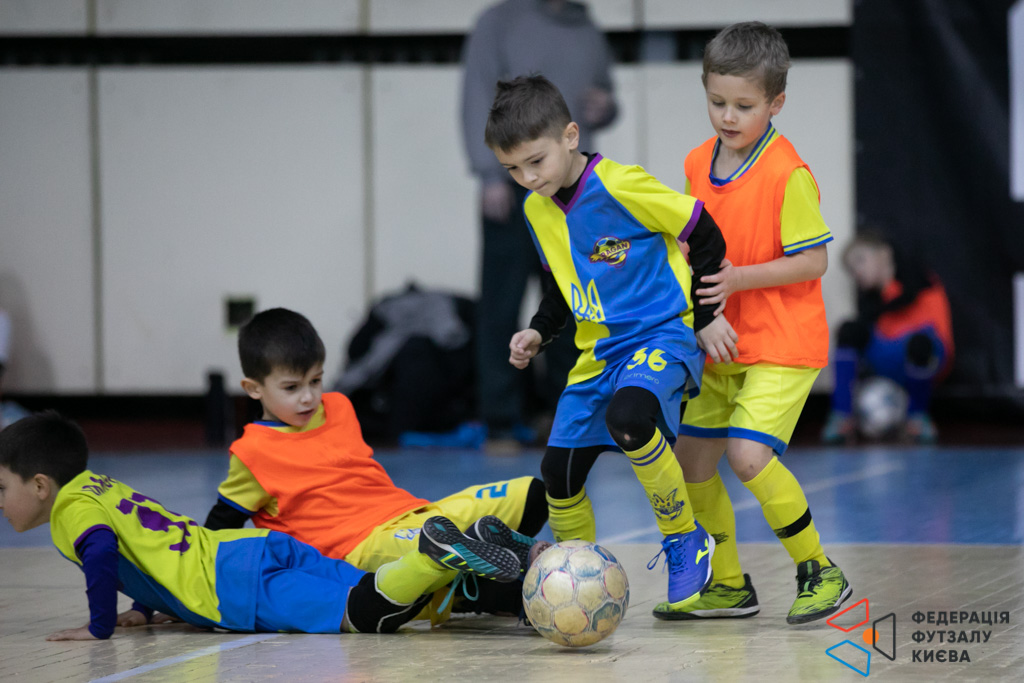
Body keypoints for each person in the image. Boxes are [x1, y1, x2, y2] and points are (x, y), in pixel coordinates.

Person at [486, 74, 739, 611]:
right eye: (512, 169)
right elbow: (562, 285)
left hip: (663, 334)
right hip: (598, 353)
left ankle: (685, 540)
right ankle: (576, 580)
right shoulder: (536, 209)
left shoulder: (622, 184)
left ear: (570, 136)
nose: (528, 178)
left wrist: (706, 317)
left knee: (630, 419)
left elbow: (703, 230)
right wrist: (538, 330)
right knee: (558, 473)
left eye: (536, 161)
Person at [0, 412, 525, 640]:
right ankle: (466, 553)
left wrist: (98, 626)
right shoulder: (98, 485)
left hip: (235, 586)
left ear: (41, 485)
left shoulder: (69, 512)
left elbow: (101, 552)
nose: (1, 501)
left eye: (3, 487)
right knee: (372, 589)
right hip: (253, 546)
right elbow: (148, 543)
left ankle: (431, 555)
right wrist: (145, 606)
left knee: (364, 615)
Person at [653, 22, 851, 625]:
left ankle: (820, 569)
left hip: (782, 342)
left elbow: (814, 261)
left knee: (746, 456)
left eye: (743, 105)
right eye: (717, 102)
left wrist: (739, 279)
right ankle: (728, 585)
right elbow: (691, 246)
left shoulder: (787, 173)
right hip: (719, 342)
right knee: (691, 463)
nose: (728, 116)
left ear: (775, 103)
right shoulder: (697, 162)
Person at [204, 307, 548, 619]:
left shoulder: (338, 406)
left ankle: (475, 561)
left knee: (529, 493)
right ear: (253, 388)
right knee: (443, 551)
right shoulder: (252, 452)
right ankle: (491, 582)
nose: (308, 397)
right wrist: (198, 588)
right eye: (292, 387)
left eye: (316, 380)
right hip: (358, 545)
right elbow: (219, 526)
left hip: (414, 515)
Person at [461, 0, 618, 448]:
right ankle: (499, 420)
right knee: (502, 305)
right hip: (512, 186)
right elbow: (477, 97)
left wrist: (604, 107)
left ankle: (571, 415)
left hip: (574, 184)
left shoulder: (585, 26)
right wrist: (491, 175)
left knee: (576, 296)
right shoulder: (499, 21)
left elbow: (604, 98)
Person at [822, 228, 954, 444]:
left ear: (885, 253)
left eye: (860, 260)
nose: (857, 272)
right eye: (852, 270)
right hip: (889, 358)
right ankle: (842, 417)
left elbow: (906, 296)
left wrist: (881, 304)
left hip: (927, 356)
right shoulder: (873, 300)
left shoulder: (918, 279)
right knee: (849, 331)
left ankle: (917, 418)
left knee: (919, 344)